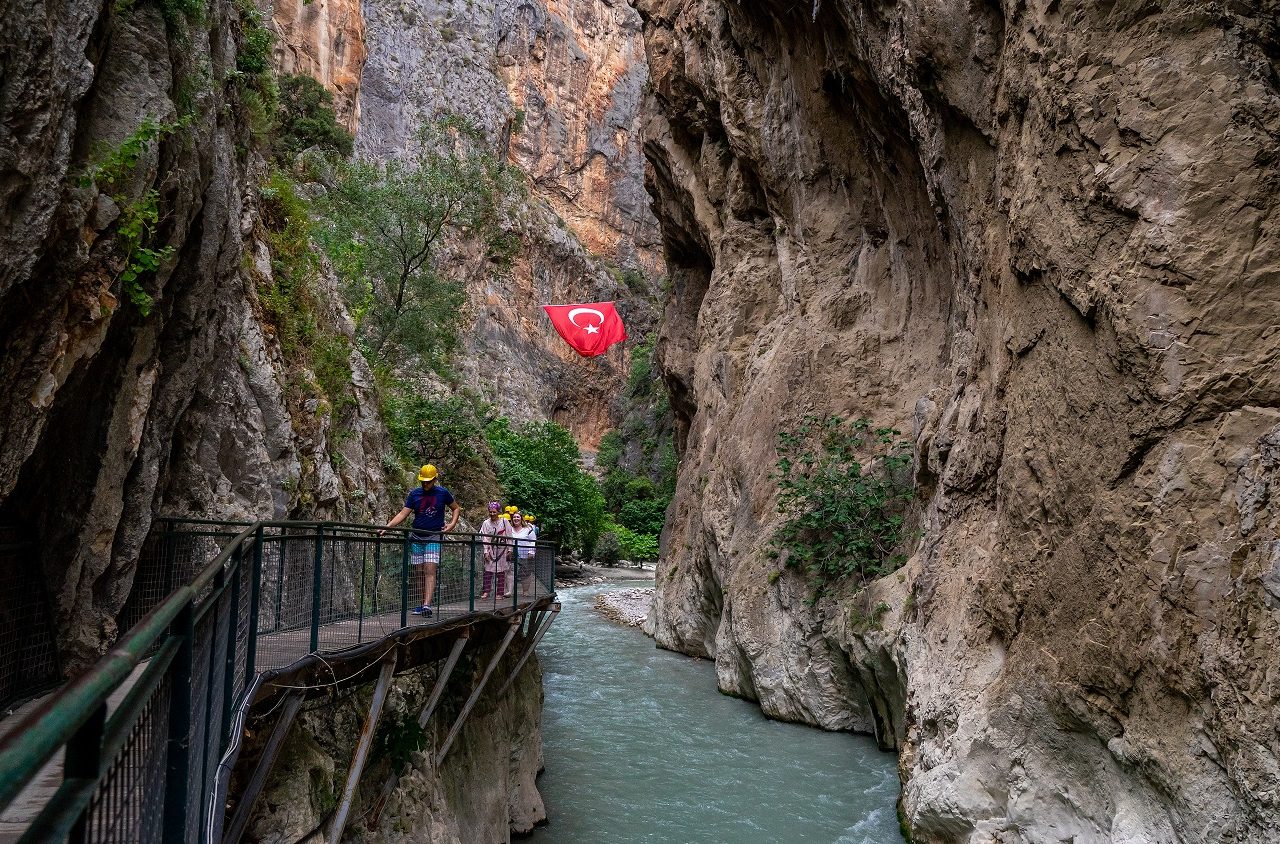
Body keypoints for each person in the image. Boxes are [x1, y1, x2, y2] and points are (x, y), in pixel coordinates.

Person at [380, 464, 459, 617]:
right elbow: (403, 514)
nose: (425, 484)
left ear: (435, 479)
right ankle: (421, 603)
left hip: (434, 536)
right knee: (418, 572)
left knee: (430, 570)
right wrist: (387, 527)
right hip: (416, 537)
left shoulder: (443, 493)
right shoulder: (415, 494)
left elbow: (455, 508)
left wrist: (452, 524)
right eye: (423, 481)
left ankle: (426, 605)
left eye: (428, 481)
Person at [479, 501, 510, 600]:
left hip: (502, 549)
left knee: (501, 572)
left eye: (494, 512)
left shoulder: (504, 522)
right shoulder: (486, 523)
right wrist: (485, 551)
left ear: (498, 512)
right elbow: (485, 538)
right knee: (488, 571)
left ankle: (499, 593)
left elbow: (509, 536)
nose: (492, 514)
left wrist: (510, 548)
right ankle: (486, 591)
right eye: (490, 512)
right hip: (491, 549)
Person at [508, 511, 537, 598]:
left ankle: (525, 591)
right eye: (514, 517)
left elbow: (533, 541)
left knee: (526, 573)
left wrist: (531, 552)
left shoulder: (528, 529)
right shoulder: (509, 529)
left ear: (521, 519)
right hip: (512, 553)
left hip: (525, 554)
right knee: (510, 571)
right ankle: (509, 591)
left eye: (518, 517)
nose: (516, 519)